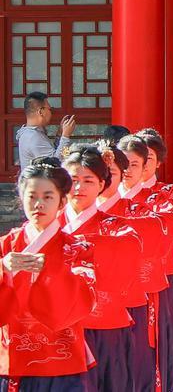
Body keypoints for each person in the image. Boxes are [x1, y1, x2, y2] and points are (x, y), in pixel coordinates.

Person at [0, 157, 96, 390]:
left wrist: (51, 271)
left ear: (62, 201)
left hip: (61, 360)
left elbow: (84, 300)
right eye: (32, 196)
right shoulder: (5, 245)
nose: (38, 204)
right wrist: (2, 268)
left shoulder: (77, 248)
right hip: (12, 358)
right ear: (21, 198)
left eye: (48, 197)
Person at [62, 145, 143, 392]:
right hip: (59, 330)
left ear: (101, 184)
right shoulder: (50, 225)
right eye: (73, 180)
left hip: (105, 324)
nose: (79, 187)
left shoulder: (117, 228)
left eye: (88, 180)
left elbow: (127, 263)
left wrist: (75, 247)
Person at [116, 134, 173, 392]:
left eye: (136, 163)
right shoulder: (105, 200)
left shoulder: (166, 197)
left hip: (150, 283)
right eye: (123, 163)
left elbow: (170, 232)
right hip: (112, 289)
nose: (128, 169)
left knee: (149, 349)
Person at [136, 129, 173, 392]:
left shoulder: (170, 195)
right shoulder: (111, 196)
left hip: (155, 280)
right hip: (116, 286)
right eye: (133, 159)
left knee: (156, 345)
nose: (140, 164)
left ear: (158, 161)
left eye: (147, 157)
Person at [16, 91, 76, 169]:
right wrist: (66, 136)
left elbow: (54, 154)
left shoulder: (31, 133)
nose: (51, 113)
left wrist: (60, 135)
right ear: (41, 112)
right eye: (49, 109)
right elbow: (58, 163)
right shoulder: (33, 137)